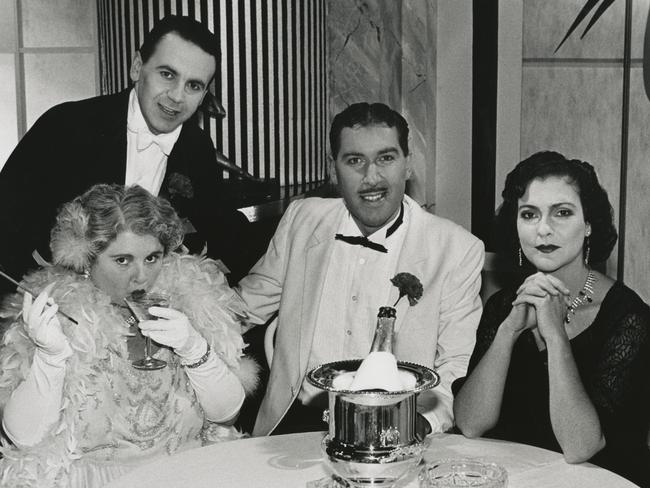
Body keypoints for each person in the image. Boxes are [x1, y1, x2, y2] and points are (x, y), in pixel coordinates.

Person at [236, 102, 484, 436]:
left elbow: (456, 365)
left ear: (408, 165)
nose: (371, 178)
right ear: (333, 169)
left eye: (386, 158)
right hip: (295, 421)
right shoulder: (302, 219)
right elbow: (243, 307)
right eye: (355, 161)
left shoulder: (456, 249)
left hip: (395, 425)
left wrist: (417, 426)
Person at [0, 184, 258, 487]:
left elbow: (226, 414)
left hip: (191, 477)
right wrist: (51, 356)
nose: (142, 276)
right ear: (87, 261)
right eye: (122, 260)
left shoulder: (191, 301)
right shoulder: (53, 319)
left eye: (152, 257)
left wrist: (193, 348)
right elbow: (27, 439)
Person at [0, 15, 252, 292]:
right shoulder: (66, 125)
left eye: (194, 85)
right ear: (136, 68)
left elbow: (223, 231)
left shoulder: (198, 148)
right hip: (52, 302)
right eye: (167, 74)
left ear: (204, 95)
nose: (177, 97)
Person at [452, 151, 650, 486]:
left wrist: (555, 335)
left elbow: (580, 446)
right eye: (529, 214)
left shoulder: (629, 317)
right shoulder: (504, 305)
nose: (543, 229)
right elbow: (471, 424)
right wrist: (508, 331)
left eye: (562, 213)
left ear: (588, 225)